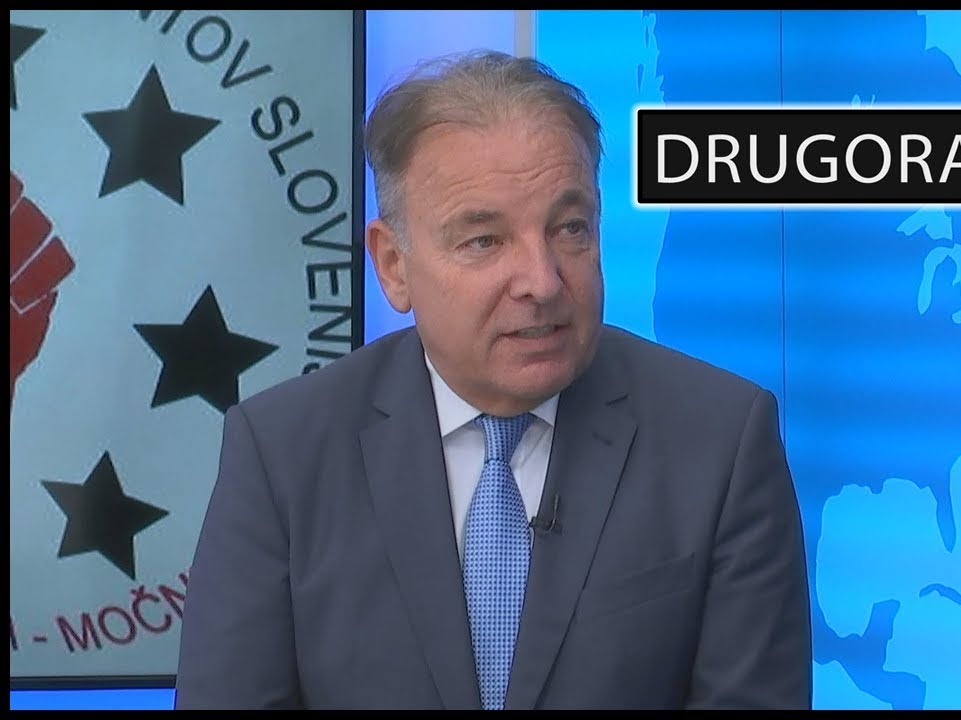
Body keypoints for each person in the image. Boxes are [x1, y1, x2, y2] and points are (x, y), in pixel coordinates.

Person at [174, 49, 811, 710]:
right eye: (483, 240)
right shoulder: (282, 455)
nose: (542, 281)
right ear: (393, 266)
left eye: (570, 229)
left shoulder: (720, 443)